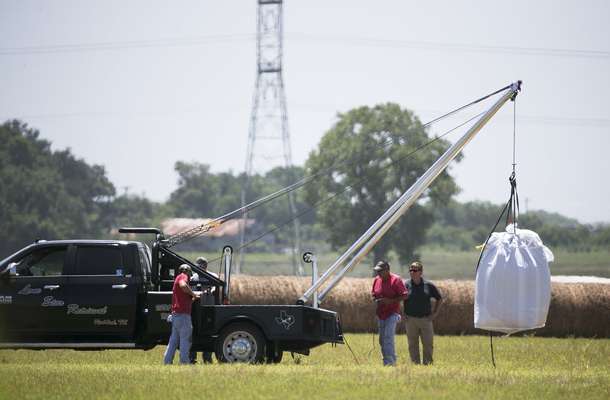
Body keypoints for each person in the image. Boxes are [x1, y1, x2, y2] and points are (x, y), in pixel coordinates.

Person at [403, 261, 443, 365]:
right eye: (410, 270)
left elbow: (439, 299)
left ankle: (428, 363)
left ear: (421, 272)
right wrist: (402, 314)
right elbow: (399, 299)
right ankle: (415, 363)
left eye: (415, 270)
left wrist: (435, 313)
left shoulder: (428, 285)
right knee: (412, 344)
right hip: (410, 319)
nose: (412, 272)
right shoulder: (405, 285)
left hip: (426, 319)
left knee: (428, 343)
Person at [371, 260, 408, 366]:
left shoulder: (396, 280)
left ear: (387, 270)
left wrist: (390, 301)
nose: (378, 273)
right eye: (377, 271)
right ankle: (387, 360)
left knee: (388, 338)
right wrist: (377, 300)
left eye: (380, 271)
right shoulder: (377, 280)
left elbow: (405, 295)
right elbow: (374, 294)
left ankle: (390, 363)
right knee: (382, 340)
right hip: (381, 314)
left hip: (392, 314)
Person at [163, 264, 200, 365]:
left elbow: (184, 298)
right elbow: (183, 285)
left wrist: (193, 297)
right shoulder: (183, 277)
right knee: (185, 340)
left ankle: (167, 362)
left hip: (176, 315)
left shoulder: (177, 277)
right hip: (183, 316)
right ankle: (184, 362)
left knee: (173, 341)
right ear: (188, 271)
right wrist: (193, 294)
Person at [189, 256, 217, 364]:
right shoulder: (193, 278)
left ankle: (207, 358)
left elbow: (216, 287)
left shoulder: (212, 276)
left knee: (208, 333)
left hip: (208, 308)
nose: (200, 268)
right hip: (194, 309)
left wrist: (210, 291)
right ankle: (192, 358)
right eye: (198, 265)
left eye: (202, 265)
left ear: (206, 266)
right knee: (193, 333)